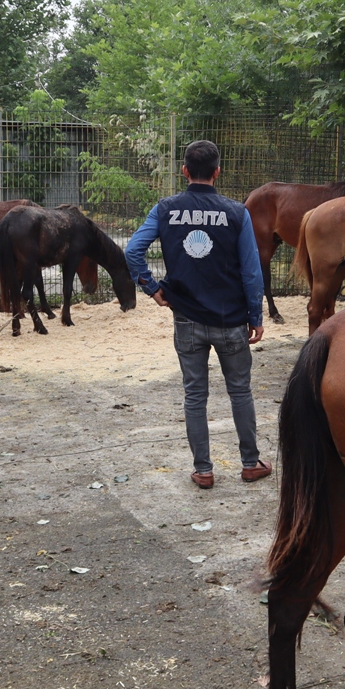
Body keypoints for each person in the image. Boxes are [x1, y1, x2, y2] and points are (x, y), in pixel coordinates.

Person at [125, 140, 269, 490]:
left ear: (185, 171)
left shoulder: (165, 208)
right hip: (231, 319)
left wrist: (152, 287)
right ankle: (250, 463)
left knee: (194, 395)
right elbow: (251, 271)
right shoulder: (237, 212)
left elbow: (132, 251)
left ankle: (203, 470)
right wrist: (255, 315)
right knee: (240, 392)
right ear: (218, 172)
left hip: (186, 317)